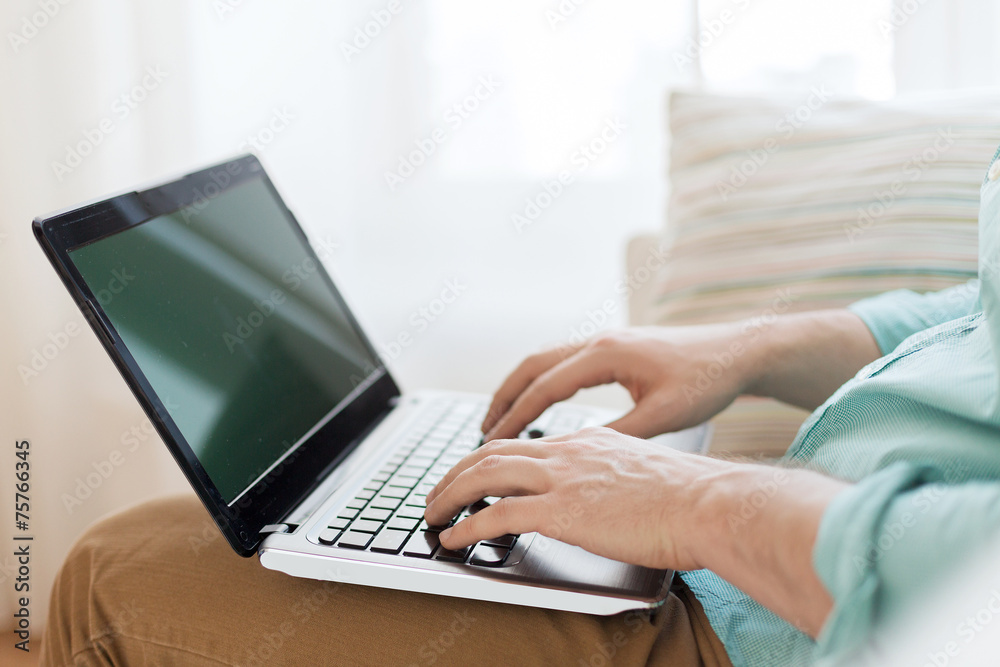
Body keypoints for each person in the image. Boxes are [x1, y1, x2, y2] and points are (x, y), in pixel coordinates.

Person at [41, 147, 1000, 667]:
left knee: (110, 575)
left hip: (788, 625)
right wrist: (747, 348)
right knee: (235, 529)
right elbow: (980, 308)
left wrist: (699, 503)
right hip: (766, 569)